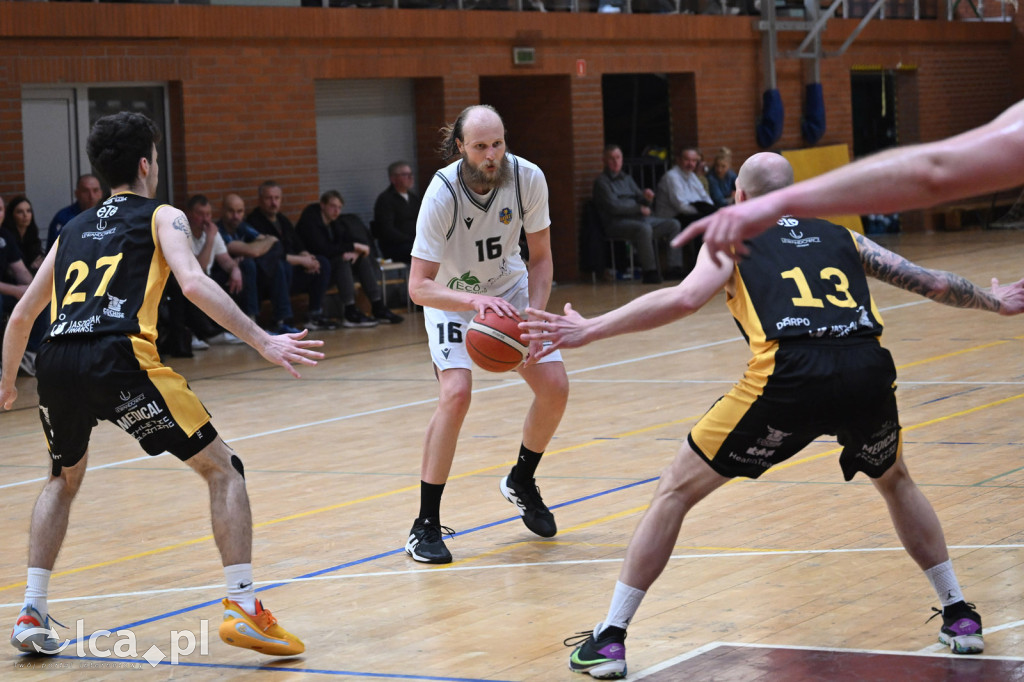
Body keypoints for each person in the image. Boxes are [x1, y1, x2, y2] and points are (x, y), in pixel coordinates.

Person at [520, 152, 1024, 678]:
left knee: (675, 489)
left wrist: (591, 328)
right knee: (895, 478)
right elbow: (931, 282)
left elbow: (685, 298)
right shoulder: (841, 236)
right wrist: (995, 301)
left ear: (737, 196)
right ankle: (959, 613)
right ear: (792, 193)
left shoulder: (733, 238)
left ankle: (611, 637)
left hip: (790, 377)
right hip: (865, 370)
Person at [2, 111, 323, 658]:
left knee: (61, 477)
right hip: (120, 357)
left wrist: (7, 384)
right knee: (224, 469)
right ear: (147, 163)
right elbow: (194, 282)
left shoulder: (71, 229)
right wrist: (263, 339)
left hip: (56, 362)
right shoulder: (163, 215)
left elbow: (21, 316)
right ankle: (244, 606)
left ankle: (32, 608)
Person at [405, 104, 569, 564]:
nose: (491, 154)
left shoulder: (528, 178)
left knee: (554, 387)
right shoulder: (441, 195)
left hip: (510, 291)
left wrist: (535, 316)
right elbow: (418, 287)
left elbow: (540, 258)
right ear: (460, 147)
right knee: (455, 394)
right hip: (453, 297)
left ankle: (521, 478)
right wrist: (474, 303)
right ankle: (425, 525)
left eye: (497, 143)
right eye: (480, 146)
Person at [679, 98, 1024, 262]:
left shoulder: (737, 246)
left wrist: (778, 202)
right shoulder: (839, 236)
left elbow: (932, 172)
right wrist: (989, 300)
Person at [296, 190, 404, 327]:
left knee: (360, 259)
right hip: (312, 269)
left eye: (339, 208)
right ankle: (350, 310)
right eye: (332, 206)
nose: (336, 211)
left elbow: (345, 242)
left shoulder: (334, 222)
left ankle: (378, 306)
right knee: (343, 261)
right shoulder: (311, 220)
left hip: (329, 266)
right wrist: (353, 246)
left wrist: (355, 252)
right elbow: (323, 249)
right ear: (322, 205)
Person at [592, 144, 683, 284]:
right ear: (604, 160)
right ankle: (650, 271)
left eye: (618, 157)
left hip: (639, 218)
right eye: (611, 159)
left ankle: (674, 268)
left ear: (622, 159)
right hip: (616, 223)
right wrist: (638, 208)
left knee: (673, 224)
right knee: (644, 229)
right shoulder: (601, 182)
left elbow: (641, 199)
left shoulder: (627, 178)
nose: (616, 162)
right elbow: (614, 207)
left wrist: (647, 198)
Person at [246, 181, 327, 333]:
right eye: (269, 198)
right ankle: (281, 319)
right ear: (260, 200)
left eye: (277, 198)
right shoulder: (253, 222)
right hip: (267, 276)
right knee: (281, 267)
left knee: (322, 263)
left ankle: (315, 313)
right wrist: (302, 260)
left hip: (290, 273)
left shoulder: (282, 220)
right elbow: (274, 255)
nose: (273, 202)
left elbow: (298, 243)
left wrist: (308, 258)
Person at [218, 193, 295, 332]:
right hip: (226, 276)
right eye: (231, 211)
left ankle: (281, 321)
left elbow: (271, 241)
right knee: (250, 263)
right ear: (222, 210)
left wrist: (256, 249)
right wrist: (255, 250)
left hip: (252, 275)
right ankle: (251, 322)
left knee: (278, 264)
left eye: (239, 211)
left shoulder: (242, 226)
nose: (236, 216)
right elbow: (253, 251)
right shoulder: (219, 230)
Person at [373, 161, 421, 265]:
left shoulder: (414, 198)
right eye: (405, 175)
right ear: (393, 179)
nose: (410, 177)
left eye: (410, 174)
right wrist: (412, 240)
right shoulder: (385, 200)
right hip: (396, 247)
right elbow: (387, 230)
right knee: (424, 253)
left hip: (414, 243)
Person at [46, 174, 104, 251]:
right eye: (86, 191)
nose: (91, 196)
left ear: (101, 193)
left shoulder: (110, 216)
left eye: (95, 190)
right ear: (77, 194)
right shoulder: (64, 218)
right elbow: (56, 251)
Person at [2, 195, 44, 274]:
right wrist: (31, 267)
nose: (25, 215)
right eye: (20, 212)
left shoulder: (33, 237)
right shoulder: (7, 238)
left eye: (28, 211)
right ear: (12, 215)